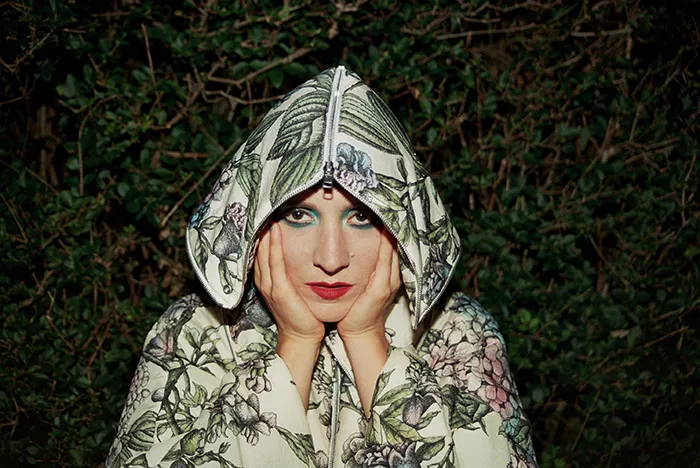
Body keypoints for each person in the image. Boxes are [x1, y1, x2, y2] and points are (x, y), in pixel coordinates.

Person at [106, 66, 538, 468]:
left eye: (361, 216)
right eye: (299, 215)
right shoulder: (193, 332)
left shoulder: (459, 331)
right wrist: (295, 346)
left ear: (399, 223)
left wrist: (367, 341)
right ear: (258, 217)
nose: (331, 259)